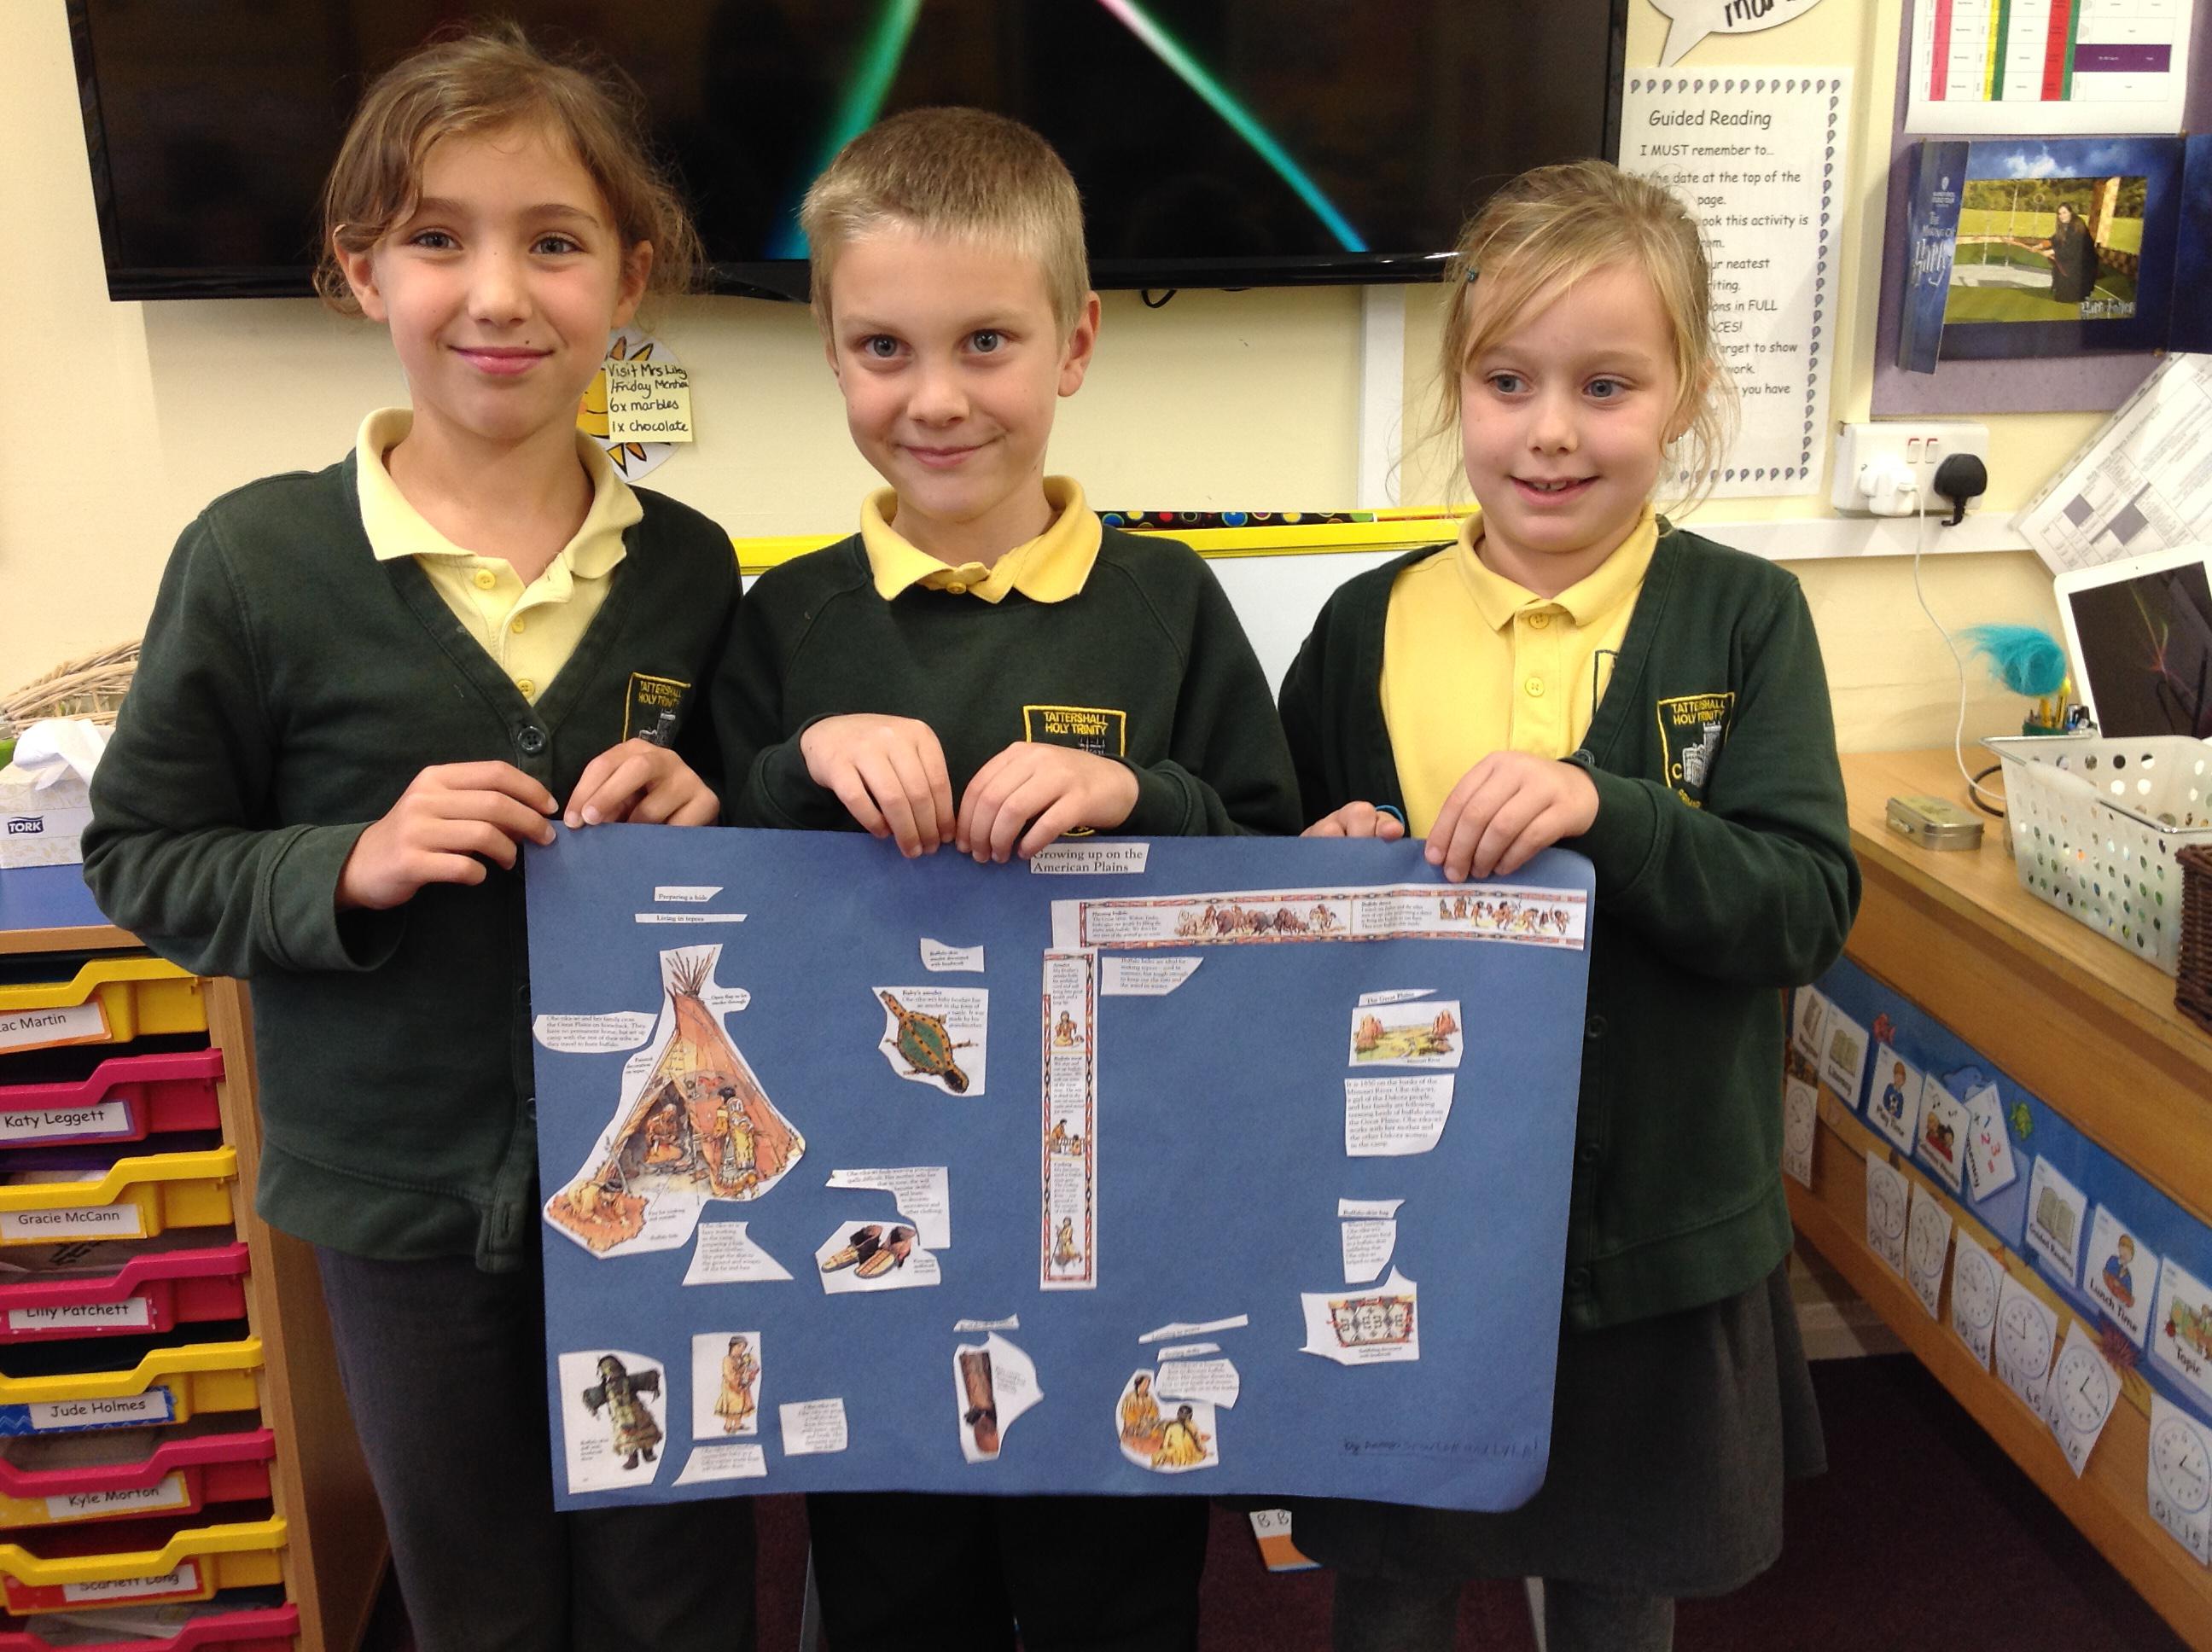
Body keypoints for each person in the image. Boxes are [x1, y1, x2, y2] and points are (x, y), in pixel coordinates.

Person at [80, 26, 752, 1652]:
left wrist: (710, 811)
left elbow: (744, 867)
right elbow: (142, 853)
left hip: (665, 1194)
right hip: (398, 1210)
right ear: (360, 269)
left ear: (630, 276)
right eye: (439, 238)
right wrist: (345, 861)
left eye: (554, 242)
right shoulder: (255, 560)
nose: (497, 295)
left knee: (675, 1579)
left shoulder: (690, 567)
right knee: (476, 1588)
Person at [714, 106, 1300, 1652]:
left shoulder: (1168, 602)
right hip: (867, 1214)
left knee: (1116, 1582)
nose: (936, 397)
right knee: (895, 1577)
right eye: (882, 349)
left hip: (1119, 1205)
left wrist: (1137, 796)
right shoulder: (786, 620)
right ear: (832, 354)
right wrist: (801, 760)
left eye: (986, 341)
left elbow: (1272, 858)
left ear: (1076, 342)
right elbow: (697, 874)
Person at [1276, 159, 1860, 1652]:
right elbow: (1262, 916)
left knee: (1616, 1586)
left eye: (1605, 386)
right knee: (1394, 1581)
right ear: (1458, 390)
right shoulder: (1362, 628)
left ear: (1685, 397)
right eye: (1507, 381)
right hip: (1408, 1218)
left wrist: (1619, 812)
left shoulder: (1745, 618)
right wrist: (1315, 866)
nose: (1549, 431)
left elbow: (1802, 905)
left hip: (1650, 1234)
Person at [2046, 201, 2097, 305]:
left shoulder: (2077, 226)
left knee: (2067, 295)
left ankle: (2078, 294)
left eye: (2064, 212)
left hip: (2083, 262)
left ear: (2070, 212)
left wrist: (2052, 251)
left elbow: (2073, 247)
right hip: (2073, 257)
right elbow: (2055, 239)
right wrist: (2040, 246)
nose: (2062, 216)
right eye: (2059, 213)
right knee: (2061, 295)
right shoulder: (2063, 226)